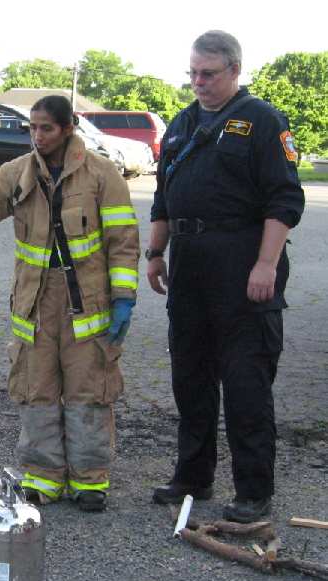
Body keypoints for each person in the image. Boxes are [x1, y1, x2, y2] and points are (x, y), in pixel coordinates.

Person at [0, 95, 140, 512]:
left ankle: (90, 480)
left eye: (45, 128)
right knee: (37, 390)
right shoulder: (17, 173)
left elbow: (123, 241)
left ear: (68, 128)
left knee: (89, 391)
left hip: (86, 305)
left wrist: (124, 297)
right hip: (34, 303)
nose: (37, 136)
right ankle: (43, 477)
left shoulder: (102, 175)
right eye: (32, 127)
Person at [147, 31, 305, 523]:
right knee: (190, 377)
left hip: (242, 261)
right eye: (192, 73)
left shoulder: (263, 121)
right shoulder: (183, 123)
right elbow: (163, 197)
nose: (198, 82)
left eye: (208, 74)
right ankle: (193, 476)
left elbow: (285, 199)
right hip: (190, 266)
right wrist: (156, 253)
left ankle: (253, 491)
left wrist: (265, 264)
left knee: (245, 382)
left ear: (235, 70)